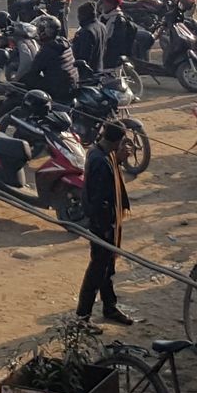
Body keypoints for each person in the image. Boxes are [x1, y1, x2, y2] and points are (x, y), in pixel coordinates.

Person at [75, 124, 134, 328]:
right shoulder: (101, 161)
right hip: (103, 225)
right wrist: (106, 228)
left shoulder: (99, 152)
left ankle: (110, 307)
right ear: (116, 142)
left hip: (107, 222)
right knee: (97, 270)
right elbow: (99, 199)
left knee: (107, 269)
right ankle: (82, 316)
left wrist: (119, 160)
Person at [16, 14, 79, 103]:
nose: (38, 31)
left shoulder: (49, 49)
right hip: (72, 86)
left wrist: (17, 80)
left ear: (46, 32)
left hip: (59, 90)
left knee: (27, 79)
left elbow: (33, 70)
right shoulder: (63, 42)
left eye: (40, 29)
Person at [72, 1, 106, 74]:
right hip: (99, 68)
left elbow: (84, 55)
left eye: (79, 14)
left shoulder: (86, 31)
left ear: (84, 15)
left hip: (88, 73)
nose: (78, 17)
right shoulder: (102, 26)